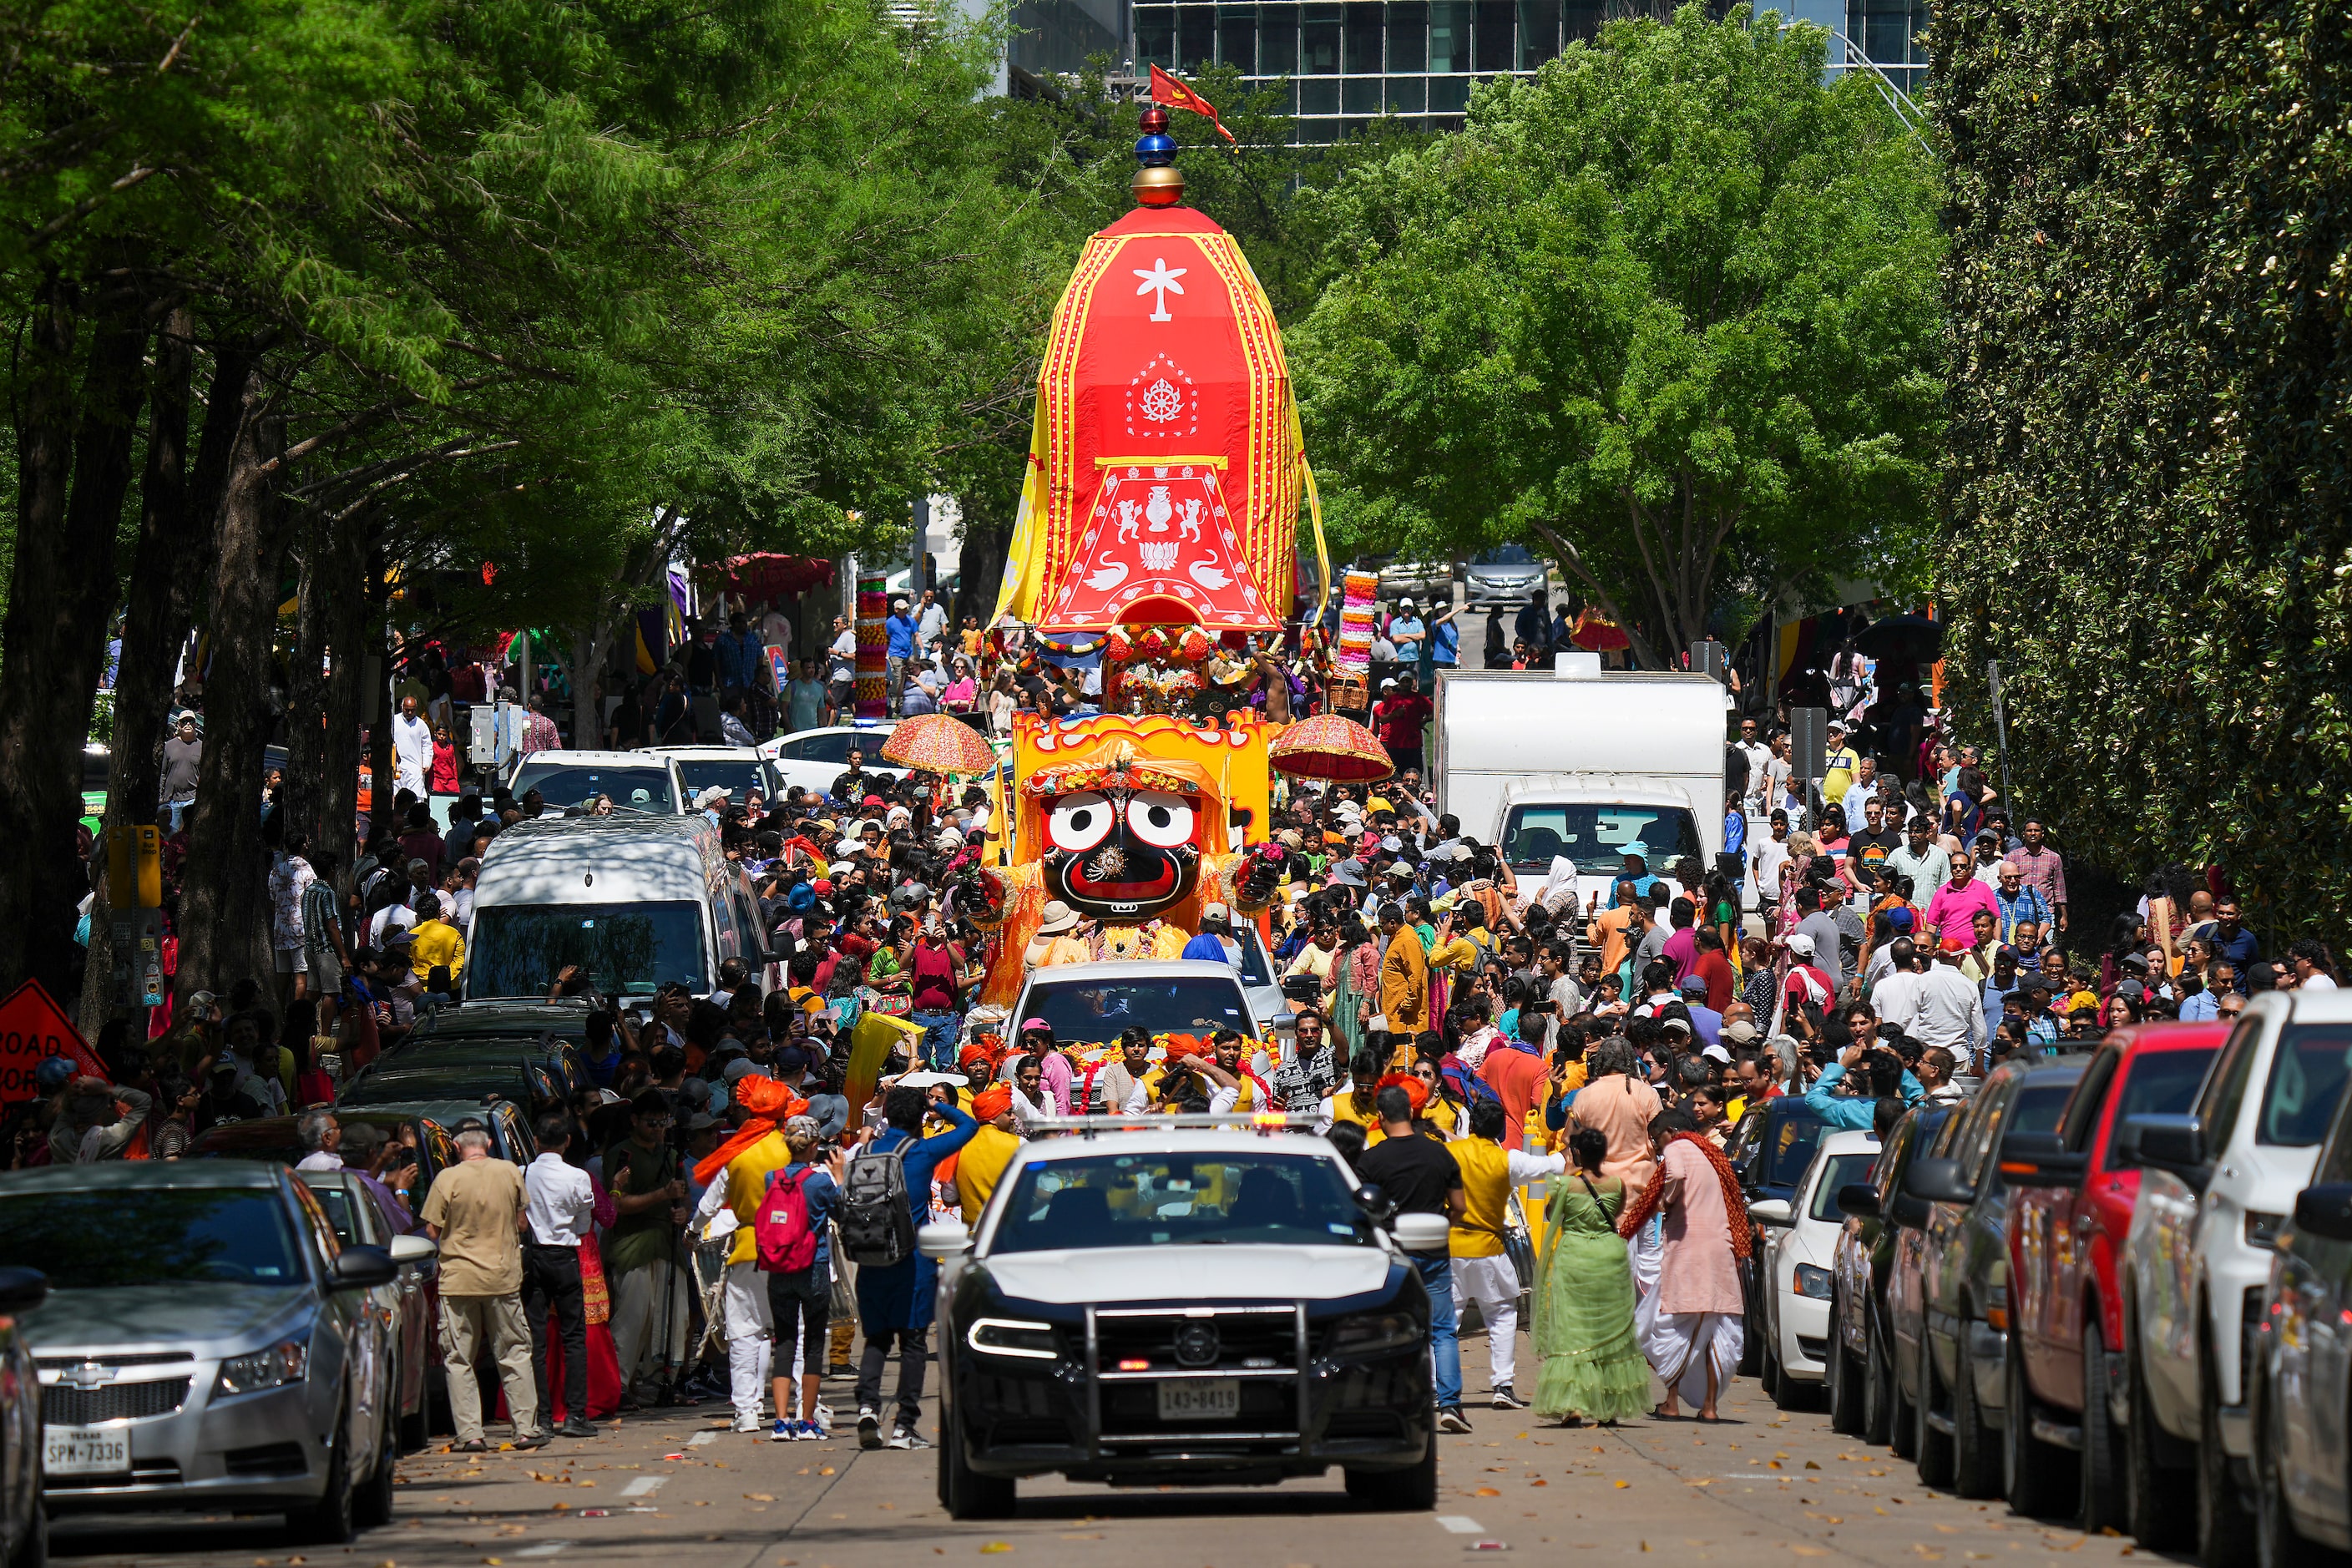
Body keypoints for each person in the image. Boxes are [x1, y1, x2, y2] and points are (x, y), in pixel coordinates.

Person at [852, 1085, 978, 1450]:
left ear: (888, 1116)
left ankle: (867, 1408)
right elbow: (968, 1127)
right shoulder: (923, 1151)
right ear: (921, 1115)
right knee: (913, 1343)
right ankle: (905, 1426)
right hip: (914, 1264)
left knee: (876, 1339)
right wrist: (936, 1104)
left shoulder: (868, 1151)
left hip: (872, 1257)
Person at [689, 1074, 807, 1434]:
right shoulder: (794, 1148)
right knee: (794, 1331)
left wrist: (692, 1232)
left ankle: (747, 1411)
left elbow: (707, 1207)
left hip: (747, 1251)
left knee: (744, 1333)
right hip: (793, 1250)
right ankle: (802, 1404)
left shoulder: (737, 1154)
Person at [1620, 1108, 1750, 1421]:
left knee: (1676, 1327)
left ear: (1670, 1132)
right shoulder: (1713, 1155)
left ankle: (1673, 1402)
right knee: (1715, 1332)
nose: (1657, 1147)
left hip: (1689, 1254)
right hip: (1721, 1251)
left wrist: (1667, 1199)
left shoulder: (1678, 1147)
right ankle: (1709, 1407)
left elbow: (1675, 1174)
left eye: (1656, 1139)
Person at [1354, 1082, 1470, 1431]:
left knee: (1388, 1329)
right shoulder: (1440, 1154)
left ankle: (1390, 1402)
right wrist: (1439, 1226)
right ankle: (1450, 1404)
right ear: (1411, 1111)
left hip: (1392, 1255)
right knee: (1443, 1331)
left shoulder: (1371, 1160)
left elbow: (1361, 1211)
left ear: (1381, 1116)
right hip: (1434, 1252)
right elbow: (1461, 1207)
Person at [422, 1127, 546, 1451]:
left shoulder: (446, 1179)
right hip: (501, 1277)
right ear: (488, 1144)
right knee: (514, 1352)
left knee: (459, 1358)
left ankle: (471, 1434)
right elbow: (522, 1223)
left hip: (458, 1280)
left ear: (455, 1147)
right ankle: (525, 1430)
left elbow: (432, 1230)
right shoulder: (508, 1172)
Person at [1449, 1098, 1565, 1410]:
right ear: (1500, 1129)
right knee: (1502, 1316)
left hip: (1451, 1250)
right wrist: (1568, 1151)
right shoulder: (1507, 1160)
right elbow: (1549, 1166)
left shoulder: (1449, 1154)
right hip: (1489, 1249)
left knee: (1446, 1322)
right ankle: (1502, 1386)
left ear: (1471, 1125)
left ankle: (1438, 1389)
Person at [1532, 1126, 1651, 1425]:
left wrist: (1571, 1173)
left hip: (1576, 1257)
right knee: (1609, 1329)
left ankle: (1574, 1405)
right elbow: (1617, 1213)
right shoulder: (1617, 1184)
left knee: (1574, 1328)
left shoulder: (1565, 1186)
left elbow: (1551, 1215)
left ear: (1578, 1153)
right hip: (1609, 1257)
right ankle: (1609, 1404)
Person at [604, 1090, 690, 1407]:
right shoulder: (621, 1154)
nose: (657, 1129)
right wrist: (661, 1196)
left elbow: (682, 1195)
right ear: (635, 1121)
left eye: (662, 1123)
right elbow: (617, 1205)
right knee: (632, 1317)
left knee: (672, 1317)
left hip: (667, 1245)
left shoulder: (669, 1155)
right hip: (632, 1246)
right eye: (651, 1123)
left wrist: (682, 1210)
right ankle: (620, 1384)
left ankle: (660, 1380)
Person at [765, 1115, 842, 1441]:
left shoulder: (772, 1178)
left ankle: (780, 1421)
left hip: (779, 1268)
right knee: (813, 1344)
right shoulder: (820, 1182)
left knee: (784, 1342)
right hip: (813, 1266)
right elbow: (842, 1213)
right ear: (813, 1146)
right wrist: (839, 1179)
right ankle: (807, 1420)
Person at [521, 1112, 599, 1437]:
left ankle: (540, 1418)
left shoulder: (522, 1173)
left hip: (533, 1257)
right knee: (574, 1338)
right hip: (565, 1257)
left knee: (535, 1340)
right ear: (567, 1142)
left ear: (535, 1142)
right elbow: (584, 1226)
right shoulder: (578, 1177)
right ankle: (575, 1415)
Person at [391, 693, 434, 798]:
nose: (410, 712)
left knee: (416, 797)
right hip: (397, 767)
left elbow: (427, 745)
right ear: (402, 707)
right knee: (396, 795)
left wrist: (427, 763)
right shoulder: (394, 721)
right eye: (407, 710)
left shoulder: (421, 725)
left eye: (412, 710)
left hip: (415, 768)